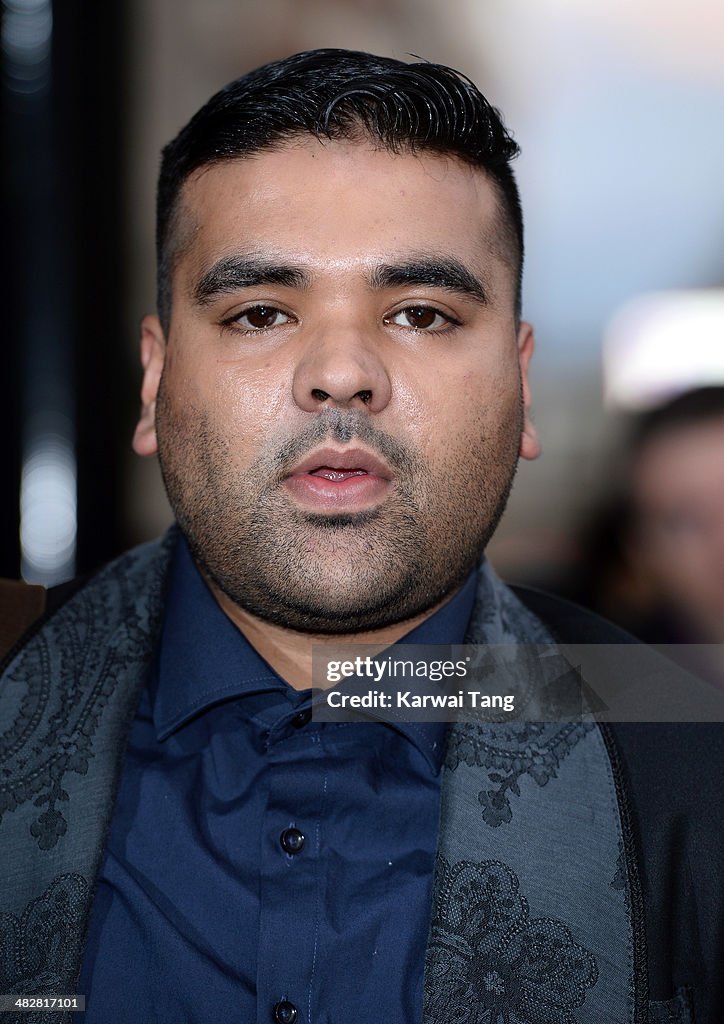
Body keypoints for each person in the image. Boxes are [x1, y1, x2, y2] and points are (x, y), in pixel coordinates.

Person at [0, 48, 721, 1024]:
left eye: (420, 313)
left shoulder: (690, 767)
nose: (341, 371)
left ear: (519, 387)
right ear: (155, 382)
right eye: (261, 313)